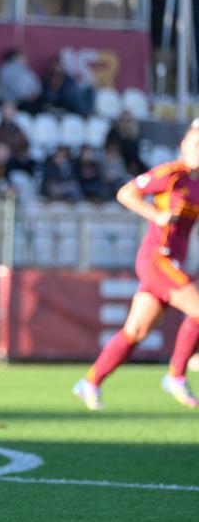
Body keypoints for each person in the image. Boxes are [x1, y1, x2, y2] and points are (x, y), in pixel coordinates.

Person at [74, 125, 199, 410]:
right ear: (184, 144)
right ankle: (176, 376)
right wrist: (157, 215)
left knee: (136, 331)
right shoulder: (171, 174)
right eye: (195, 144)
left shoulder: (197, 183)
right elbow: (126, 193)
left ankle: (90, 382)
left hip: (174, 260)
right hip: (158, 258)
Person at [0, 48, 41, 114]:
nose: (25, 59)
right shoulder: (5, 70)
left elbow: (36, 84)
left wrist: (35, 93)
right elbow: (13, 88)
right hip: (9, 102)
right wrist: (27, 95)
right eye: (21, 57)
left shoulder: (26, 70)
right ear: (15, 57)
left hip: (26, 101)